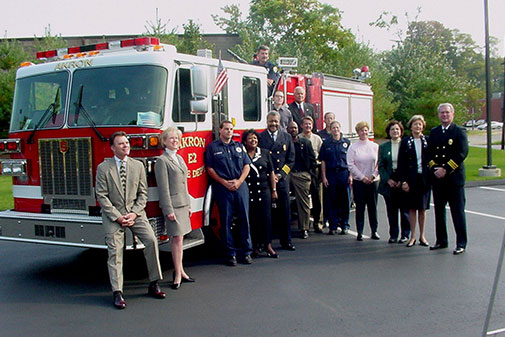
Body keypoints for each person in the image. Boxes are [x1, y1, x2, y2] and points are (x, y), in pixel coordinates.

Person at [95, 131, 165, 310]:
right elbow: (101, 196)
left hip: (136, 213)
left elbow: (143, 194)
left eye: (126, 143)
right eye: (121, 144)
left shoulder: (138, 166)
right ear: (112, 148)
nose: (126, 146)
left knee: (151, 240)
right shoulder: (104, 168)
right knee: (115, 250)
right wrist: (117, 217)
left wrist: (134, 213)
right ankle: (117, 292)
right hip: (114, 215)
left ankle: (154, 282)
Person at [205, 121, 253, 266]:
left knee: (244, 219)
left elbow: (247, 166)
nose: (229, 132)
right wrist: (224, 182)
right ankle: (230, 254)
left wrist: (239, 182)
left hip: (240, 186)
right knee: (225, 221)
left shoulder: (239, 147)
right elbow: (210, 169)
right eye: (226, 129)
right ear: (220, 130)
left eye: (231, 129)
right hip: (223, 187)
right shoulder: (212, 148)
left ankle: (246, 252)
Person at [154, 127, 195, 289]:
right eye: (171, 138)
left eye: (177, 138)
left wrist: (189, 204)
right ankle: (177, 273)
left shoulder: (180, 159)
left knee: (181, 239)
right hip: (173, 206)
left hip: (183, 204)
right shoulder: (162, 161)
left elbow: (185, 184)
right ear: (164, 142)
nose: (174, 141)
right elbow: (162, 189)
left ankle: (181, 271)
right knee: (176, 239)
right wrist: (168, 210)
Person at [428, 103, 469, 255]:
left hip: (454, 179)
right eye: (442, 113)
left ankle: (461, 243)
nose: (444, 115)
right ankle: (441, 240)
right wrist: (434, 169)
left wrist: (446, 169)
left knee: (457, 212)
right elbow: (429, 153)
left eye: (447, 113)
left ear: (452, 114)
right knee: (439, 211)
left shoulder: (459, 131)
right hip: (438, 179)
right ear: (438, 115)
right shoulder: (434, 132)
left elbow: (462, 153)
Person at [258, 111, 296, 251]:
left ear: (279, 122)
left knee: (285, 211)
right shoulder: (260, 137)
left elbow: (291, 160)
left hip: (282, 180)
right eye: (271, 121)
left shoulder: (286, 137)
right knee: (265, 213)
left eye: (276, 121)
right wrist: (269, 175)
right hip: (266, 180)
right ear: (266, 121)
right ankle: (264, 242)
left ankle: (286, 241)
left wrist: (279, 175)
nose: (273, 124)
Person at [242, 129, 279, 258]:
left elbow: (271, 173)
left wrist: (274, 190)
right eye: (250, 138)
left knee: (266, 219)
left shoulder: (265, 153)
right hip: (249, 191)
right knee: (252, 219)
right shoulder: (242, 154)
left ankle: (268, 245)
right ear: (245, 141)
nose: (254, 141)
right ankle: (256, 246)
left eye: (255, 138)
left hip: (264, 190)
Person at [398, 115, 431, 248]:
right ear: (410, 126)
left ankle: (422, 235)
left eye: (420, 124)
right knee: (412, 208)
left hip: (424, 179)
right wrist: (404, 181)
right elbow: (402, 163)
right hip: (411, 179)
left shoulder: (428, 141)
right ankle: (412, 236)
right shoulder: (406, 142)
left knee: (422, 209)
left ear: (423, 126)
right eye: (415, 124)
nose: (417, 126)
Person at [378, 120, 411, 244]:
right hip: (389, 182)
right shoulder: (384, 146)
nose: (395, 131)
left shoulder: (406, 144)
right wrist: (388, 180)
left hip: (402, 181)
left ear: (401, 131)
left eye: (397, 129)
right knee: (391, 211)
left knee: (404, 211)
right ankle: (393, 234)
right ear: (389, 132)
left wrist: (402, 180)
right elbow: (381, 165)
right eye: (392, 129)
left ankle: (405, 234)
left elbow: (409, 164)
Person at [347, 121, 380, 241]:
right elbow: (350, 165)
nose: (364, 132)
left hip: (373, 181)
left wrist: (372, 176)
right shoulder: (353, 147)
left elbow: (379, 164)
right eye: (361, 130)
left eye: (366, 130)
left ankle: (374, 231)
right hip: (359, 182)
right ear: (358, 132)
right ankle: (360, 231)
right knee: (360, 207)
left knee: (373, 207)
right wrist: (362, 177)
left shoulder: (375, 146)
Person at [319, 121, 352, 235]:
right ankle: (333, 226)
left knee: (345, 201)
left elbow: (351, 161)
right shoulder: (326, 143)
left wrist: (351, 175)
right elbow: (323, 161)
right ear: (330, 129)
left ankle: (345, 225)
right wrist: (324, 177)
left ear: (340, 128)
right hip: (331, 174)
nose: (335, 130)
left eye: (337, 127)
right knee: (332, 201)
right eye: (333, 128)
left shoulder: (347, 143)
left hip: (344, 173)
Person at [287, 121, 317, 239]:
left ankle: (304, 228)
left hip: (302, 174)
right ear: (287, 130)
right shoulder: (285, 143)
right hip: (287, 174)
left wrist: (310, 175)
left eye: (295, 128)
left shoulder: (305, 142)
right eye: (291, 128)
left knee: (303, 203)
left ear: (297, 129)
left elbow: (312, 160)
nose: (293, 130)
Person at [299, 116, 324, 233]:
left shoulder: (317, 139)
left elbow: (322, 156)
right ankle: (305, 225)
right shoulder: (298, 138)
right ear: (301, 125)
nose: (308, 126)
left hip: (316, 170)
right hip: (303, 171)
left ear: (312, 126)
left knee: (317, 198)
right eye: (305, 124)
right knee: (304, 200)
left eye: (310, 124)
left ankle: (318, 223)